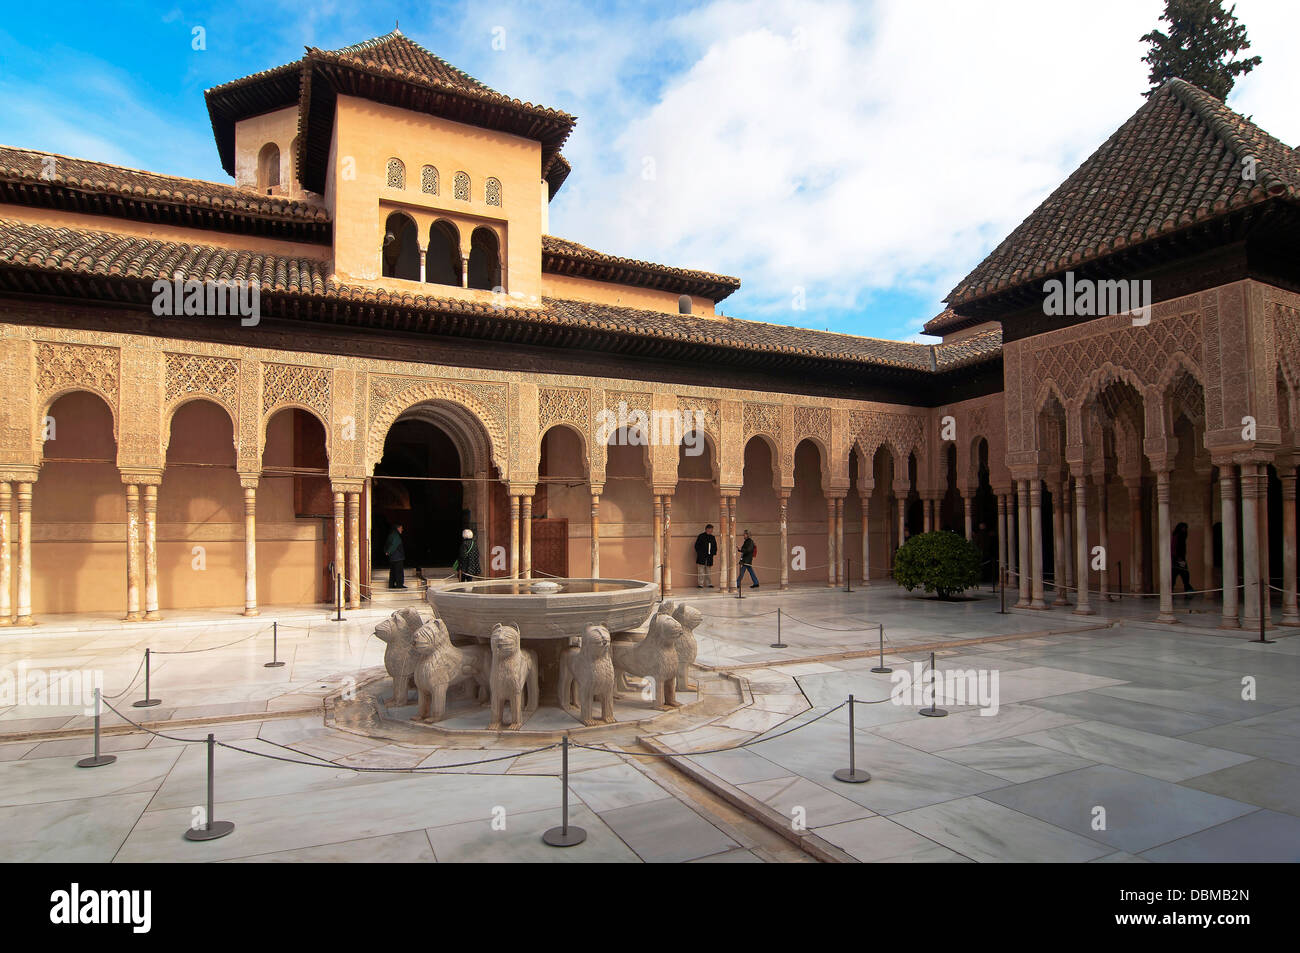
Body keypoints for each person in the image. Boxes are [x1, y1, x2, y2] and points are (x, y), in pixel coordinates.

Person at [1172, 522, 1192, 598]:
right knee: (1183, 575)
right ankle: (1187, 590)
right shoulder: (1178, 536)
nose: (1185, 530)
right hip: (1178, 560)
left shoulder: (1181, 536)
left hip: (1179, 559)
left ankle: (1187, 590)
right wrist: (1178, 558)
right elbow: (1175, 548)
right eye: (1183, 528)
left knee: (1184, 575)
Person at [694, 524, 717, 588]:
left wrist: (713, 553)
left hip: (709, 557)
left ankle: (709, 583)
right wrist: (700, 553)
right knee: (701, 571)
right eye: (710, 529)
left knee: (708, 571)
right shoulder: (701, 536)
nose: (711, 531)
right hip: (701, 557)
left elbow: (715, 546)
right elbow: (696, 546)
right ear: (707, 529)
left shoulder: (712, 537)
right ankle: (700, 584)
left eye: (712, 530)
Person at [385, 523, 406, 589]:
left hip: (392, 557)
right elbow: (394, 545)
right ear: (398, 528)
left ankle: (391, 585)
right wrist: (389, 551)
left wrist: (387, 551)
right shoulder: (396, 536)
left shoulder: (391, 535)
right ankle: (399, 585)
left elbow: (387, 544)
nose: (402, 530)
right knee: (399, 572)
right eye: (401, 528)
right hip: (398, 557)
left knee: (392, 572)